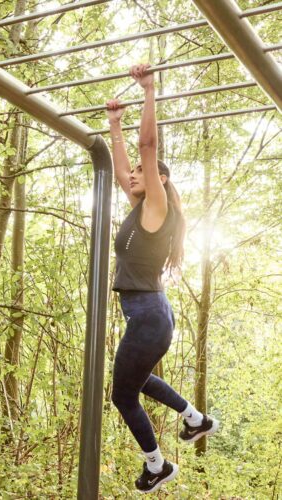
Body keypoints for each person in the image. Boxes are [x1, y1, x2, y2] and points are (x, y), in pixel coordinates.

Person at [106, 63, 219, 494]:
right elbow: (122, 171)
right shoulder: (140, 208)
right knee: (138, 380)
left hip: (150, 314)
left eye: (142, 170)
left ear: (159, 179)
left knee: (123, 395)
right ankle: (195, 419)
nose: (133, 173)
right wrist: (114, 124)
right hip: (150, 311)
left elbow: (148, 145)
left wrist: (149, 91)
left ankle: (157, 465)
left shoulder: (157, 207)